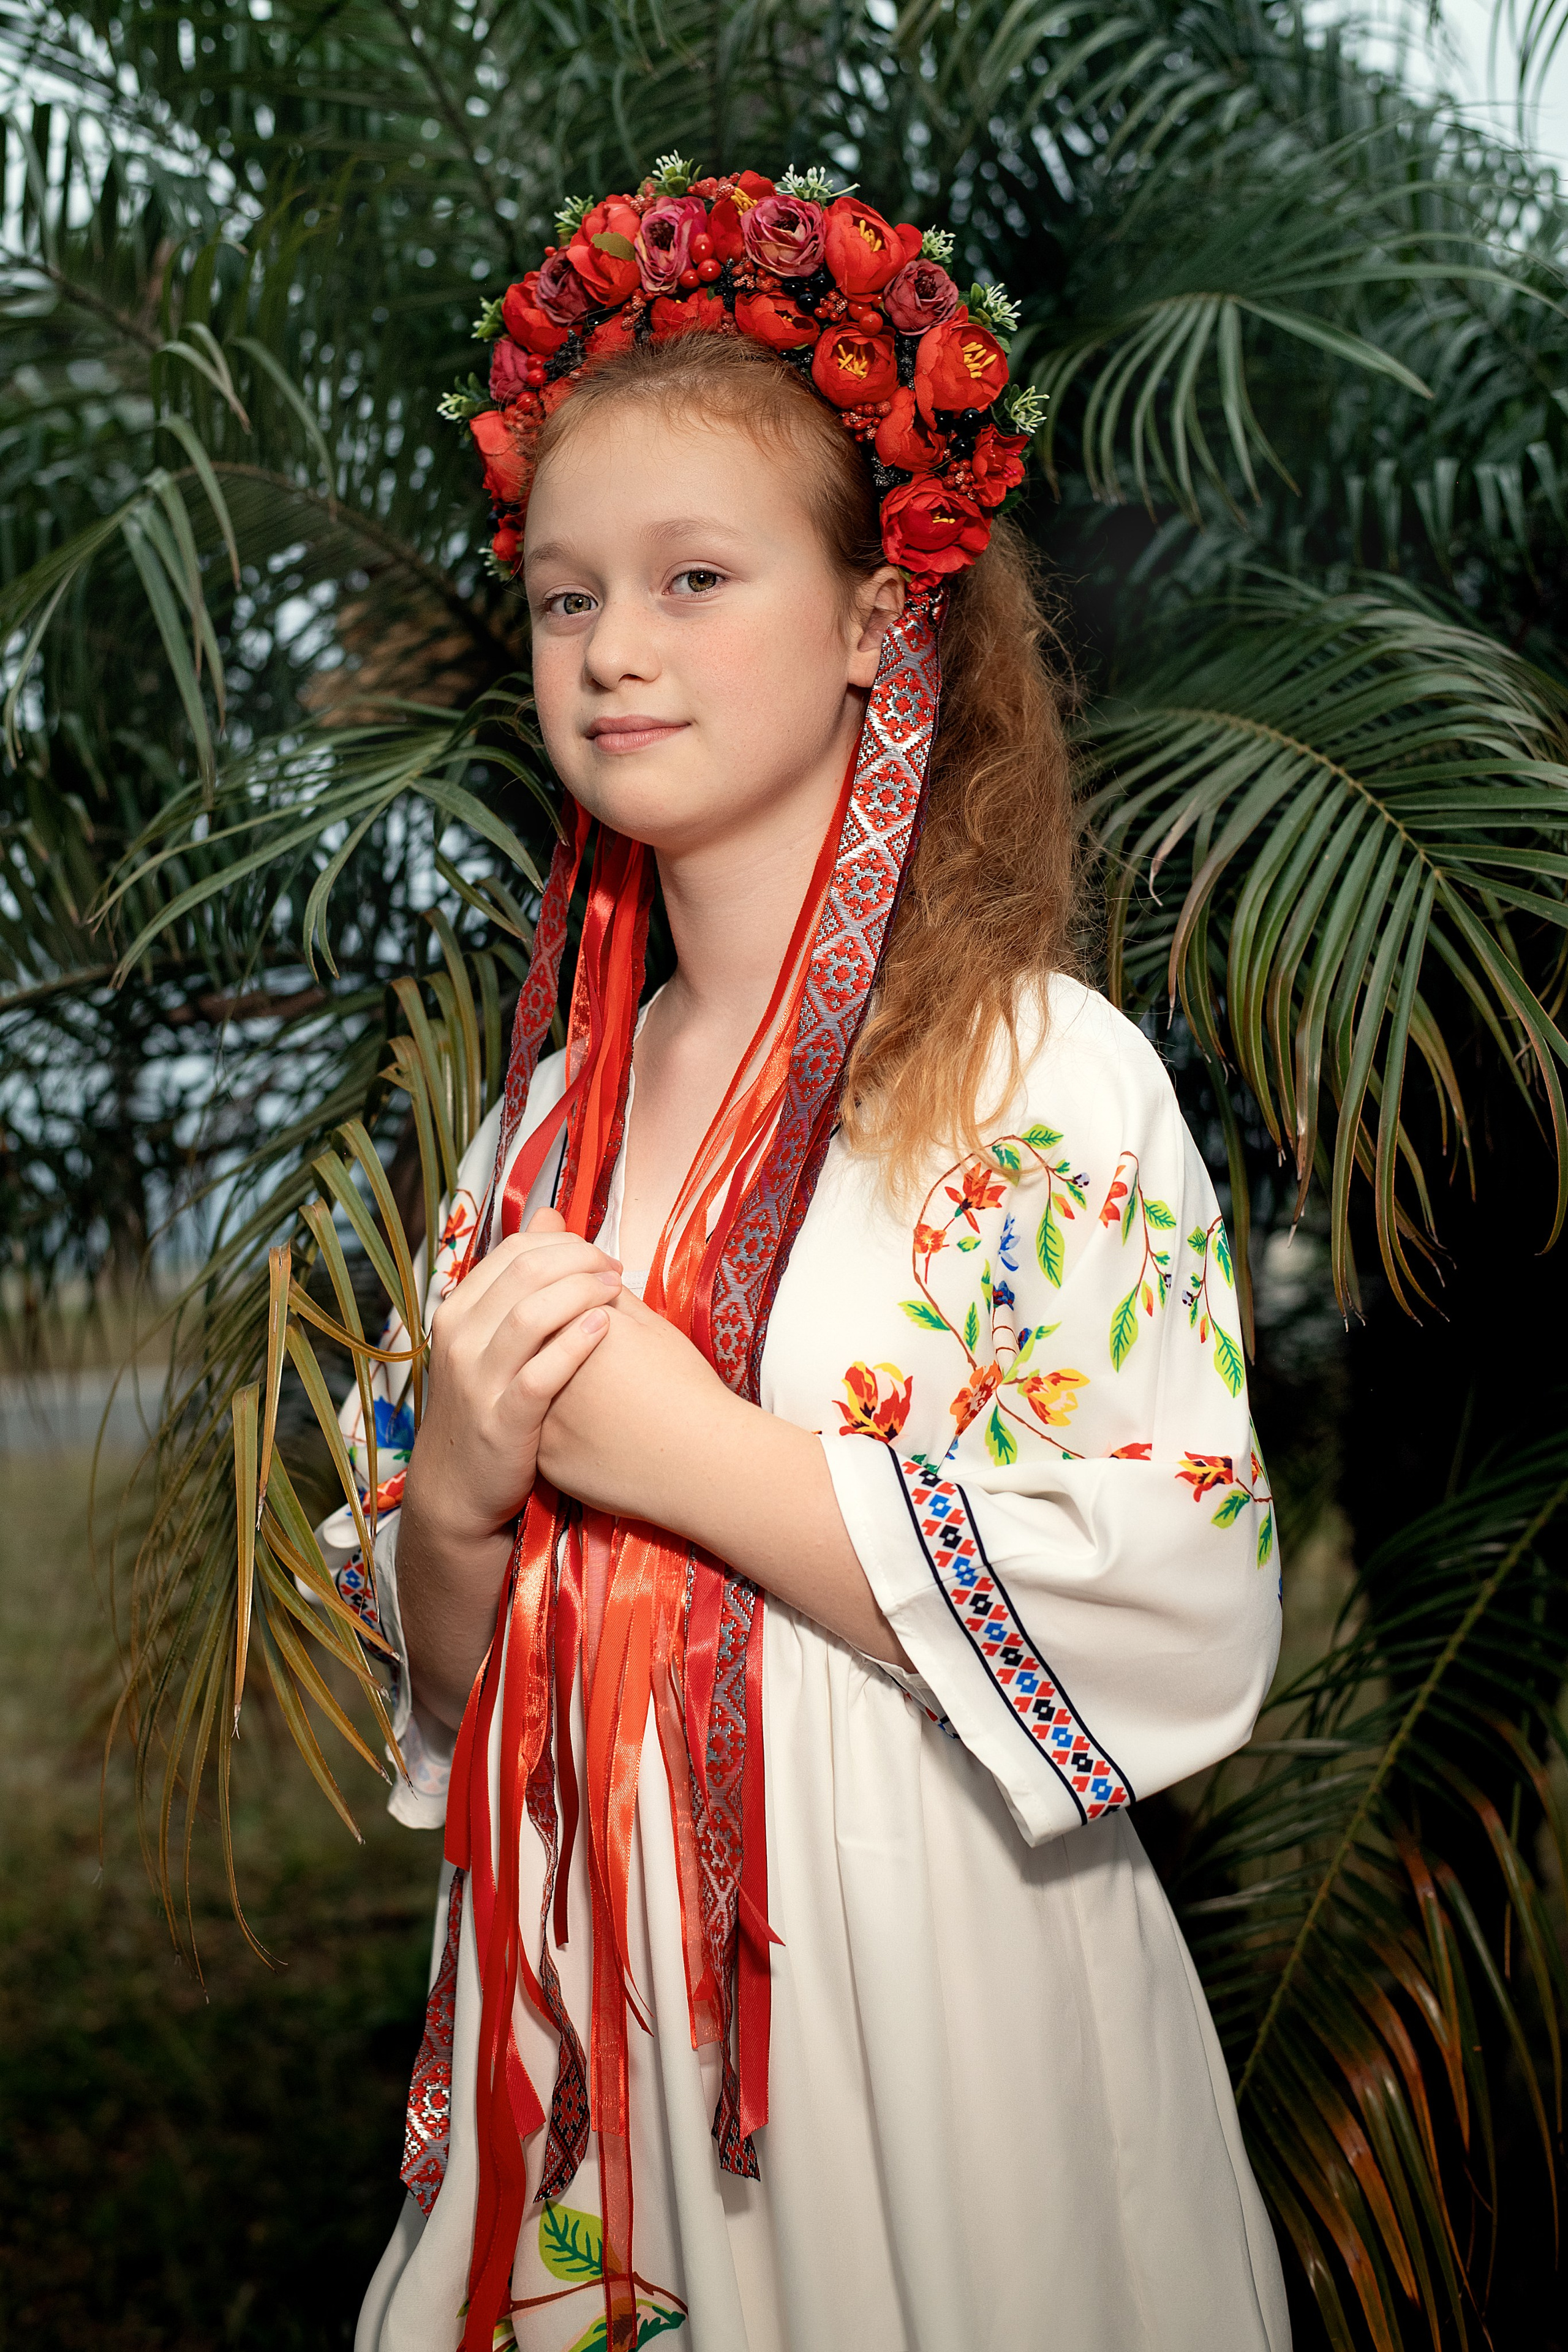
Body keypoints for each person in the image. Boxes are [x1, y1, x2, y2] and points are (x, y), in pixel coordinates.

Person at [332, 164, 1289, 2352]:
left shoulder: (1038, 1074)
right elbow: (465, 1707)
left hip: (937, 2013)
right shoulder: (533, 1135)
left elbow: (1179, 1591)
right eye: (566, 598)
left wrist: (681, 1448)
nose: (617, 647)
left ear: (878, 618)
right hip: (592, 2044)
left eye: (693, 576)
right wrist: (463, 1494)